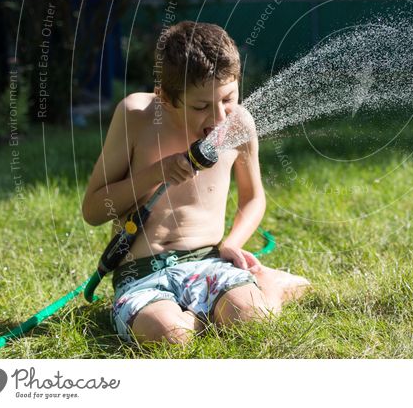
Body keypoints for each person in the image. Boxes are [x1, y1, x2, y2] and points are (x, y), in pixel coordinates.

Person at [81, 20, 310, 345]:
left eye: (228, 98)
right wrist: (157, 172)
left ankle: (265, 289)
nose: (218, 117)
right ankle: (203, 315)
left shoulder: (239, 123)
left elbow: (253, 198)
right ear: (166, 98)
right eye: (201, 106)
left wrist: (232, 243)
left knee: (253, 319)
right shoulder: (136, 116)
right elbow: (93, 210)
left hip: (209, 261)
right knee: (168, 336)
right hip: (142, 272)